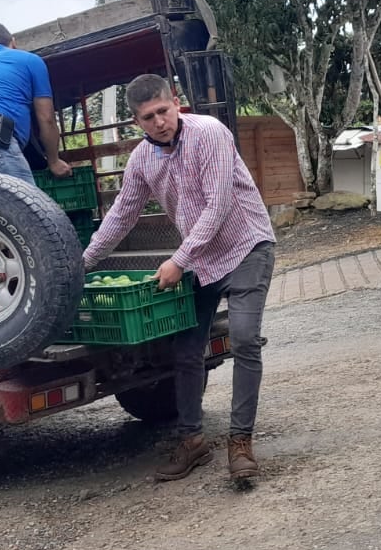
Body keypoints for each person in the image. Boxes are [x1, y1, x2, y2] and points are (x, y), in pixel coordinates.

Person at [82, 74, 276, 486]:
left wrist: (178, 259)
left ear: (177, 105)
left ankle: (240, 442)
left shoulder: (210, 134)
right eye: (148, 117)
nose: (159, 122)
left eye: (163, 112)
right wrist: (83, 263)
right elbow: (121, 215)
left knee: (243, 337)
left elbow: (219, 205)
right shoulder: (141, 160)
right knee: (186, 350)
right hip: (201, 261)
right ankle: (192, 440)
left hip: (246, 247)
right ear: (137, 121)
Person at [0, 22, 71, 184]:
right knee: (28, 206)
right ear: (13, 42)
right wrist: (54, 161)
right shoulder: (29, 60)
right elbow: (46, 118)